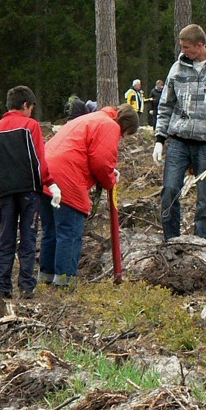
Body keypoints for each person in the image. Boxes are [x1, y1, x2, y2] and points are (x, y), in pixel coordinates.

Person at [40, 104, 139, 287]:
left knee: (51, 229)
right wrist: (110, 180)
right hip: (67, 175)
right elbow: (101, 162)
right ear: (126, 127)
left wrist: (108, 173)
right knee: (69, 231)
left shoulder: (90, 118)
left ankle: (46, 276)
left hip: (45, 172)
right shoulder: (110, 126)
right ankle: (64, 282)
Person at [153, 24, 206, 240]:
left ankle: (200, 241)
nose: (183, 51)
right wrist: (160, 139)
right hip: (178, 141)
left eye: (186, 47)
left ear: (200, 45)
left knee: (204, 196)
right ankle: (172, 240)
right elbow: (166, 105)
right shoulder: (177, 69)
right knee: (170, 190)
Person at [0, 86, 61, 300]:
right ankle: (26, 286)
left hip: (6, 193)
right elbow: (38, 159)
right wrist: (50, 183)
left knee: (6, 238)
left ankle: (1, 285)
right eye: (31, 108)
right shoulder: (30, 126)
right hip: (29, 191)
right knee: (28, 238)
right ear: (26, 105)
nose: (31, 112)